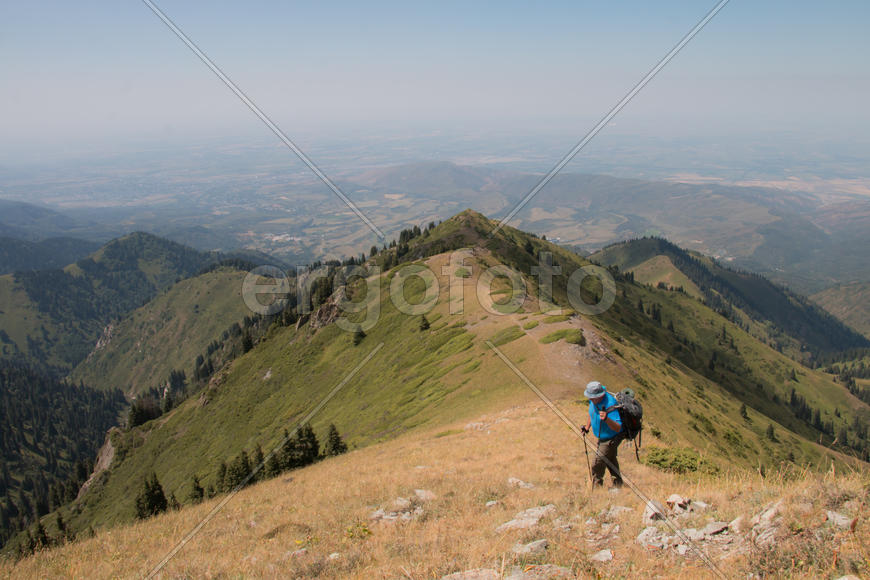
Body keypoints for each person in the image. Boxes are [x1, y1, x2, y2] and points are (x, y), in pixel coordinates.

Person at [580, 381, 624, 488]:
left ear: (599, 396)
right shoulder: (594, 401)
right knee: (610, 458)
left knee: (598, 462)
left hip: (611, 438)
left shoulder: (610, 404)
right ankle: (618, 483)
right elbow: (592, 412)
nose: (590, 399)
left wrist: (606, 419)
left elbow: (618, 427)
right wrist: (587, 427)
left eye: (592, 397)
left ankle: (597, 488)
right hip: (603, 436)